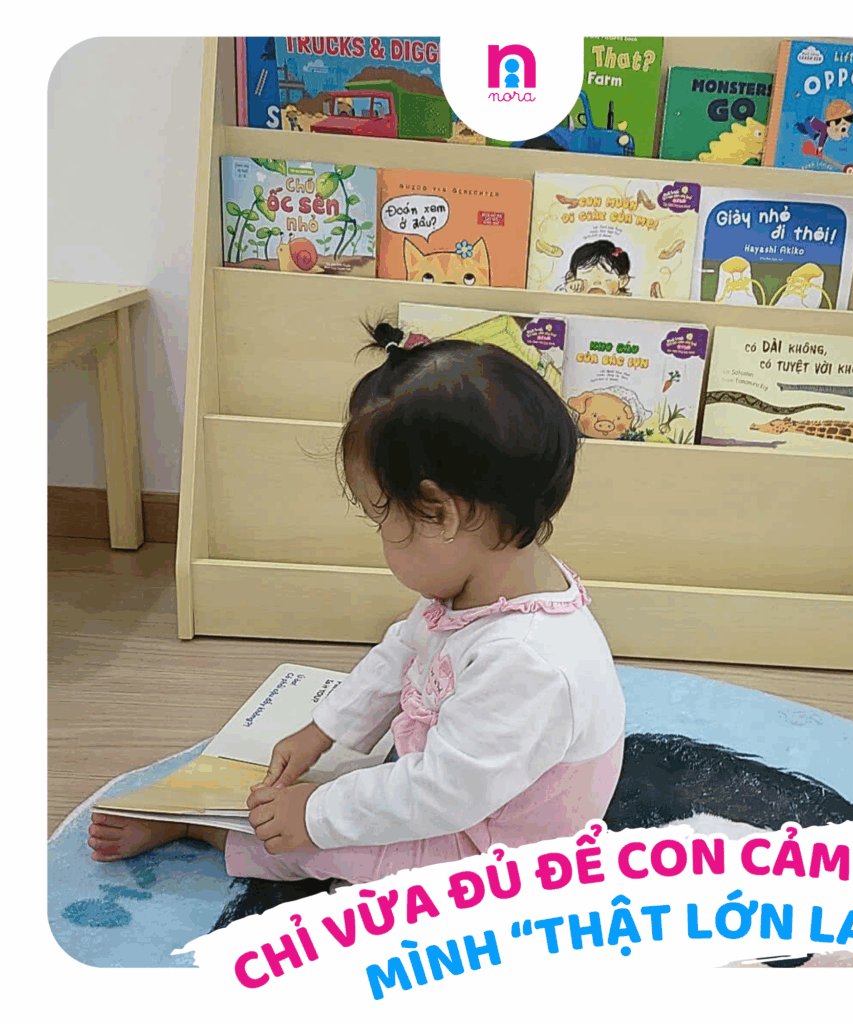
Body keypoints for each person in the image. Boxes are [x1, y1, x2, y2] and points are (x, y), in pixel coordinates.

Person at [88, 323, 626, 884]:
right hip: (474, 794)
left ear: (440, 514)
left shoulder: (527, 661)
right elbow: (405, 651)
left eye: (380, 519)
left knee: (328, 841)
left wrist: (314, 815)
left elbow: (441, 794)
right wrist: (325, 729)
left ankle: (207, 829)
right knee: (341, 804)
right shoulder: (487, 583)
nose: (381, 538)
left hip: (497, 855)